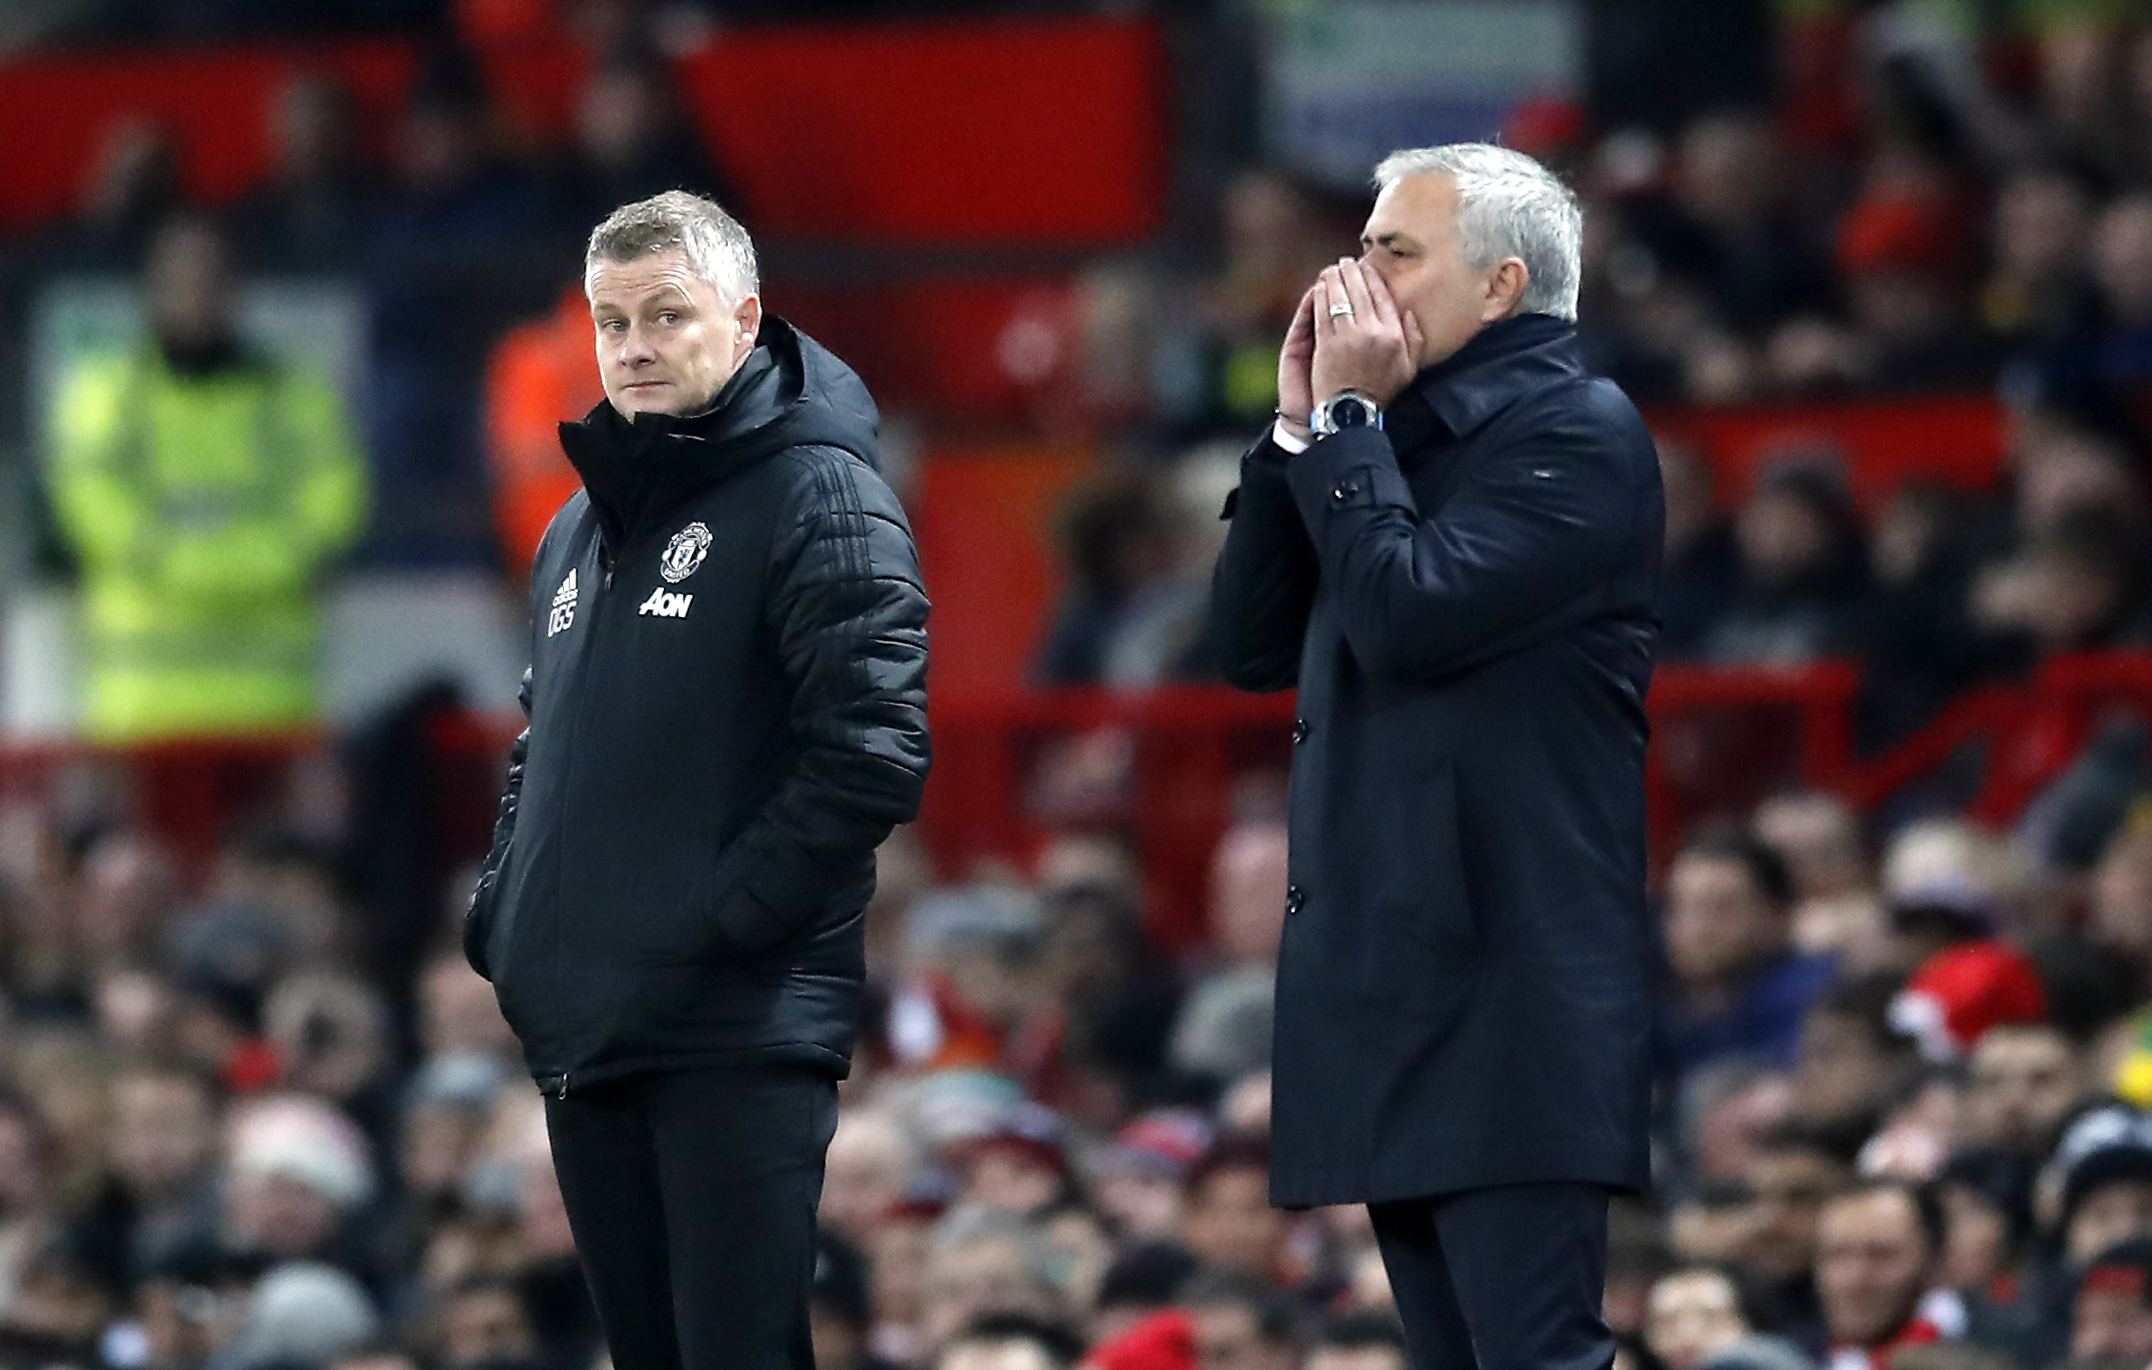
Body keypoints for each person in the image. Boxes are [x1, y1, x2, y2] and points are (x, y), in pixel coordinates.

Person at [1207, 143, 1661, 1370]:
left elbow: (1408, 615)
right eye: (1361, 244)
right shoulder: (1388, 435)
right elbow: (1248, 643)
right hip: (1399, 988)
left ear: (1501, 287)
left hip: (1512, 995)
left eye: (1392, 252)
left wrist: (1352, 423)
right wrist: (1302, 427)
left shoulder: (1576, 429)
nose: (1354, 274)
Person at [463, 191, 932, 1370]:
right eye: (611, 320)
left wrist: (713, 931)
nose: (632, 346)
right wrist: (505, 916)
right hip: (589, 1020)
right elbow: (542, 741)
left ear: (743, 315)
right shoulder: (578, 520)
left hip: (733, 1026)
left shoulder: (818, 490)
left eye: (666, 315)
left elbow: (870, 749)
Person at [46, 213, 369, 742]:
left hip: (271, 704)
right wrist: (258, 562)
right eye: (179, 280)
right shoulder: (104, 398)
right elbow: (92, 509)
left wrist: (181, 561)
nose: (195, 296)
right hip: (142, 709)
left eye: (210, 278)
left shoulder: (297, 395)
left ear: (236, 287)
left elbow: (335, 503)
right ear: (150, 288)